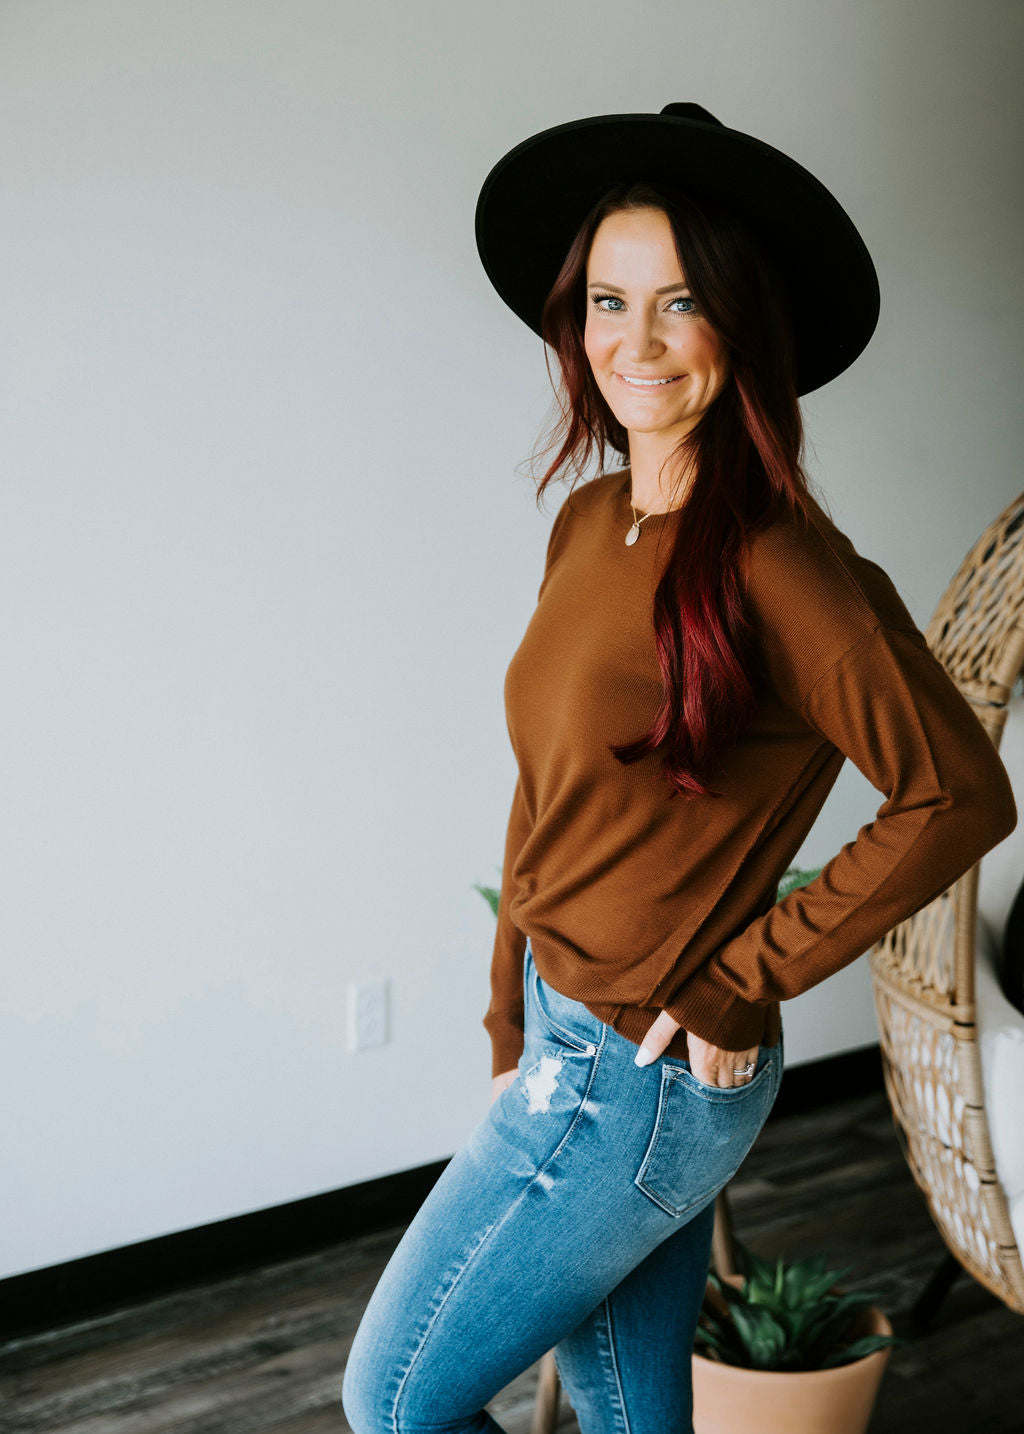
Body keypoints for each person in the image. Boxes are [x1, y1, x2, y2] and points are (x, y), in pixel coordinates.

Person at [342, 102, 1016, 1434]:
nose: (634, 343)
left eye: (681, 303)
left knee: (396, 1399)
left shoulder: (785, 563)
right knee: (627, 1409)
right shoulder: (589, 516)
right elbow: (546, 794)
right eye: (609, 300)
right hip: (568, 1031)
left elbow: (958, 790)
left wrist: (741, 977)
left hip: (638, 1073)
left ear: (742, 328)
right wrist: (506, 1019)